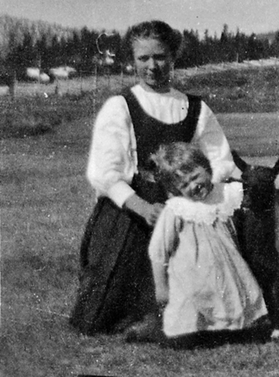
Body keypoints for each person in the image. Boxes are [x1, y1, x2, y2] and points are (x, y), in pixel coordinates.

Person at [69, 20, 236, 340]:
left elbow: (220, 161)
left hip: (184, 205)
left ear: (173, 56)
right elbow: (103, 173)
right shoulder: (120, 106)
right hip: (131, 213)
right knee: (101, 315)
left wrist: (196, 195)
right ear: (132, 60)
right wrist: (142, 207)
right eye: (143, 58)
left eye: (160, 56)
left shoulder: (196, 108)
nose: (152, 66)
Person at [149, 142, 268, 345]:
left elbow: (263, 203)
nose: (193, 186)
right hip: (192, 279)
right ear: (175, 191)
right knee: (189, 322)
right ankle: (190, 333)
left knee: (233, 302)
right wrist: (161, 286)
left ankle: (234, 329)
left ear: (207, 168)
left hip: (230, 270)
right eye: (184, 185)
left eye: (195, 177)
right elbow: (159, 249)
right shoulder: (177, 208)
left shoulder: (228, 193)